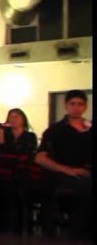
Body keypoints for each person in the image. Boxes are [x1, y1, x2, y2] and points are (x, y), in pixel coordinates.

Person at [36, 90, 92, 237]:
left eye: (80, 104)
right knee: (85, 187)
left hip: (86, 172)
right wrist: (67, 170)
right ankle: (79, 233)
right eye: (72, 103)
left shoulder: (90, 128)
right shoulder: (55, 130)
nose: (76, 107)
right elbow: (40, 158)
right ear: (66, 106)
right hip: (62, 175)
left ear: (85, 106)